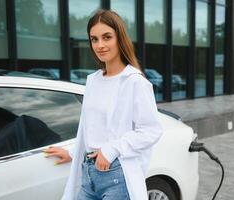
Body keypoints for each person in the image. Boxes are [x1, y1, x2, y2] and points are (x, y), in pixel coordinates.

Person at [44, 9, 163, 200]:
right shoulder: (93, 80)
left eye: (107, 37)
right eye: (94, 39)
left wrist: (111, 150)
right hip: (89, 173)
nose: (100, 45)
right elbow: (90, 129)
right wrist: (73, 153)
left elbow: (151, 130)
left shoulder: (135, 81)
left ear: (119, 39)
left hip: (117, 174)